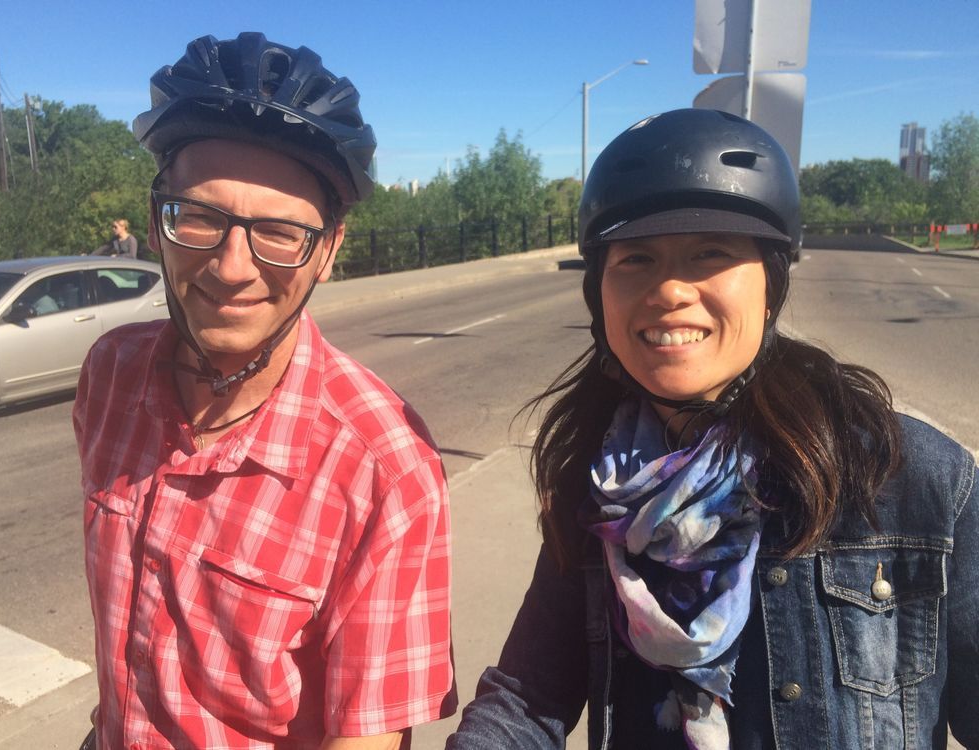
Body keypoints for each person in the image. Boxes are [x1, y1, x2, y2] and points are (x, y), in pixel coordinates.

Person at [447, 109, 978, 749]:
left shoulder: (911, 476)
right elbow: (529, 699)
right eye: (635, 258)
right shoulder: (595, 484)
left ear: (771, 285)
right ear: (599, 295)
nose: (670, 289)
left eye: (710, 253)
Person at [73, 33, 456, 750]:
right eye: (200, 216)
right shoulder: (108, 377)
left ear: (330, 252)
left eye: (279, 232)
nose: (230, 266)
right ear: (158, 220)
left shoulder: (385, 471)